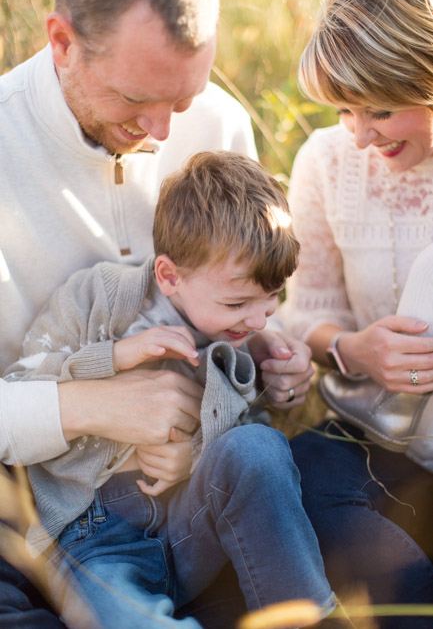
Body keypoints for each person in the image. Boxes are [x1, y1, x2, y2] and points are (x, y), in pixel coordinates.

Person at [0, 0, 316, 627]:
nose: (162, 131)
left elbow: (238, 296)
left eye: (184, 97)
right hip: (56, 512)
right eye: (136, 98)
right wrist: (90, 402)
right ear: (61, 42)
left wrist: (276, 352)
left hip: (203, 494)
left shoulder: (220, 124)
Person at [2, 150, 339, 629]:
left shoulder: (236, 340)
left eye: (274, 298)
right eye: (239, 302)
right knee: (122, 618)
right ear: (169, 275)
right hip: (96, 539)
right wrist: (114, 357)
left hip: (191, 525)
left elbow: (249, 455)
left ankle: (307, 616)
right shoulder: (98, 297)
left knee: (259, 447)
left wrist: (200, 452)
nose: (262, 319)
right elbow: (23, 382)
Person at [277, 0, 433, 627]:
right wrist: (351, 349)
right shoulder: (326, 163)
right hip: (373, 436)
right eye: (343, 110)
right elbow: (297, 311)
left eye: (378, 109)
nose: (359, 135)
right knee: (298, 477)